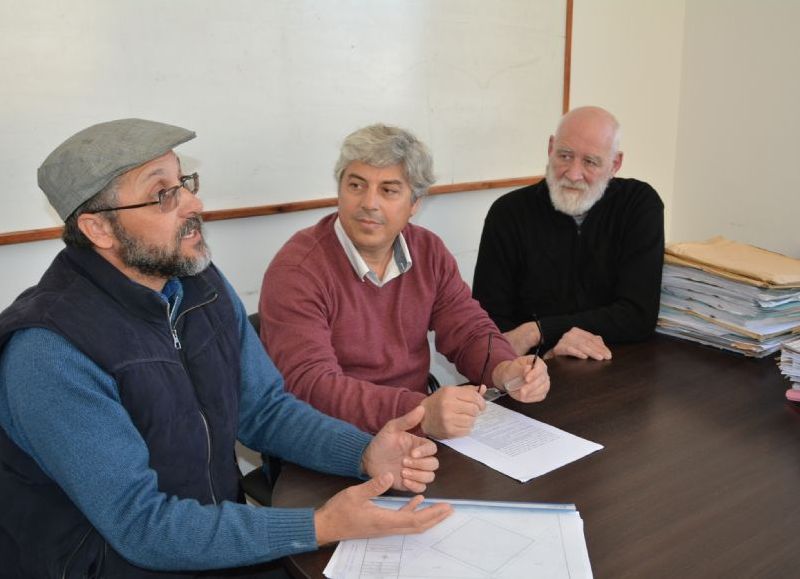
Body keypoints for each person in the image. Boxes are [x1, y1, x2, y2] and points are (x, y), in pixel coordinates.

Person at [0, 119, 453, 578]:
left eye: (185, 182)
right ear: (99, 228)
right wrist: (319, 525)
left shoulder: (200, 286)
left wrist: (363, 453)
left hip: (218, 543)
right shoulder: (50, 351)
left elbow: (265, 411)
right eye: (163, 194)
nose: (194, 204)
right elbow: (142, 526)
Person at [259, 124, 550, 439]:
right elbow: (310, 385)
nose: (369, 203)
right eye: (356, 185)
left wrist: (505, 369)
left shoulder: (428, 251)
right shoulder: (297, 270)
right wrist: (421, 411)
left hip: (412, 430)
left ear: (414, 204)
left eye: (388, 190)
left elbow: (468, 331)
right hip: (333, 440)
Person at [472, 106, 665, 361]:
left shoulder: (638, 204)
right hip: (533, 368)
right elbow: (489, 326)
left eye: (590, 162)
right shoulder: (508, 214)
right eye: (565, 155)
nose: (573, 174)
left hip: (618, 365)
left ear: (615, 164)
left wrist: (538, 331)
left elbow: (638, 315)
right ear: (551, 148)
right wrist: (546, 355)